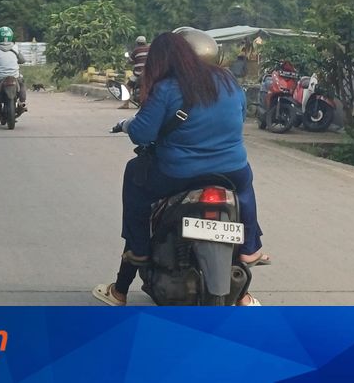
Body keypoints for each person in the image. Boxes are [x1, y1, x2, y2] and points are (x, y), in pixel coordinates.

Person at [93, 32, 267, 307]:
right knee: (245, 186)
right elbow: (240, 117)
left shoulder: (166, 88)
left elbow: (142, 134)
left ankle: (136, 254)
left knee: (134, 175)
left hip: (177, 175)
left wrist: (127, 125)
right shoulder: (228, 81)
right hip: (231, 170)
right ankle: (249, 249)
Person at [0, 26, 26, 114]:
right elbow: (22, 60)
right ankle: (22, 102)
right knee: (21, 83)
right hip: (14, 76)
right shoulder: (15, 47)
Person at [119, 36, 149, 109]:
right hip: (149, 74)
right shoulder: (149, 49)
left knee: (127, 86)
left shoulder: (136, 50)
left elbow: (131, 61)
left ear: (137, 43)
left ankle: (126, 104)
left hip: (138, 74)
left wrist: (128, 59)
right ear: (145, 42)